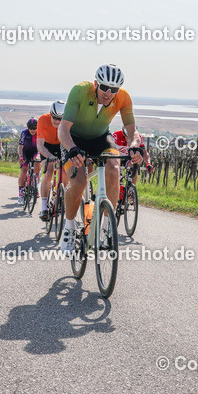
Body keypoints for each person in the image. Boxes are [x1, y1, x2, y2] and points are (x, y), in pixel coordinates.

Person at [57, 64, 144, 254]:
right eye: (104, 87)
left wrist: (134, 145)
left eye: (113, 90)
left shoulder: (123, 97)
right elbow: (62, 129)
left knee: (114, 168)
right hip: (74, 139)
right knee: (79, 181)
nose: (108, 93)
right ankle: (69, 227)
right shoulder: (80, 91)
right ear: (96, 83)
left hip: (100, 138)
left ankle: (106, 228)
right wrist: (72, 149)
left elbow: (132, 131)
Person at [36, 101, 68, 221]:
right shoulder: (43, 120)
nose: (57, 122)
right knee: (48, 173)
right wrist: (49, 156)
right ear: (50, 113)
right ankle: (44, 207)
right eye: (55, 118)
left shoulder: (67, 122)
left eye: (61, 119)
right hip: (47, 147)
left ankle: (60, 197)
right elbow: (40, 145)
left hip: (61, 145)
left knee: (65, 172)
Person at [19, 118, 39, 196]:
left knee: (37, 163)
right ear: (28, 128)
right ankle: (20, 193)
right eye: (30, 128)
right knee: (24, 170)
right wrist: (21, 156)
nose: (32, 130)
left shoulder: (40, 133)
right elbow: (20, 147)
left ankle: (35, 186)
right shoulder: (24, 133)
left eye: (34, 128)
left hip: (36, 152)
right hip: (25, 152)